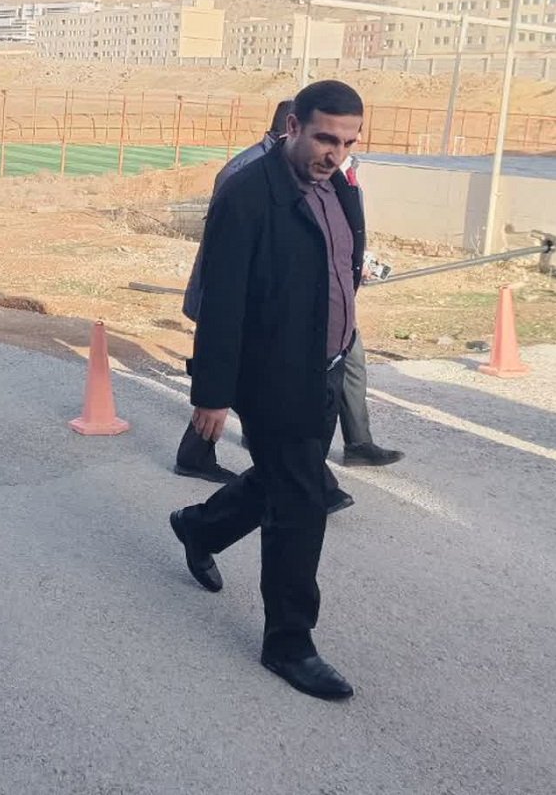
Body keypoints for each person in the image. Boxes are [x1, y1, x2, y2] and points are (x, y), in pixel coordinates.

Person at [168, 79, 368, 701]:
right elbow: (223, 301)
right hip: (273, 371)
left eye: (349, 142)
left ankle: (201, 528)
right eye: (325, 138)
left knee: (287, 477)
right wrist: (211, 393)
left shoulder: (340, 188)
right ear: (293, 126)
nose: (336, 153)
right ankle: (289, 642)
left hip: (325, 364)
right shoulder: (249, 195)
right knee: (302, 503)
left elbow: (341, 267)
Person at [174, 100, 291, 484]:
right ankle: (198, 454)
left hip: (244, 292)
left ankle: (200, 452)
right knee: (228, 373)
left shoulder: (271, 165)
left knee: (238, 373)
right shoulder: (247, 172)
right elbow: (226, 244)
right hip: (226, 290)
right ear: (290, 129)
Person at [335, 154, 403, 469]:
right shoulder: (308, 176)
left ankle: (358, 444)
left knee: (353, 363)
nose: (347, 147)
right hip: (315, 293)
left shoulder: (350, 175)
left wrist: (358, 261)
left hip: (342, 292)